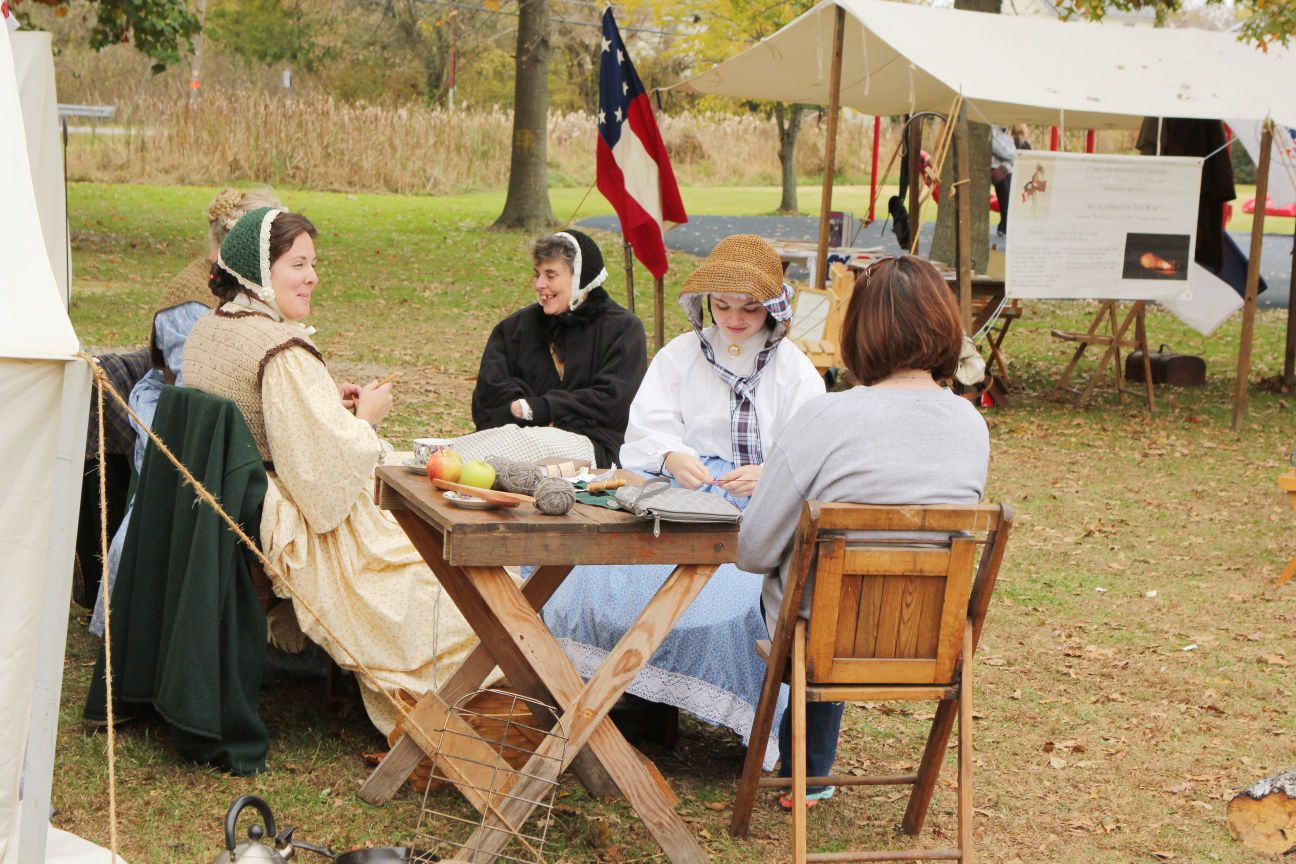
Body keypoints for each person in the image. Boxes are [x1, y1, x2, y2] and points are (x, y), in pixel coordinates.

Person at [182, 207, 481, 736]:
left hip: (221, 498)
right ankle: (465, 701)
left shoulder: (213, 328)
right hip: (278, 507)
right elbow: (321, 481)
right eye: (298, 264)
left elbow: (270, 419)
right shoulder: (280, 349)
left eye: (312, 263)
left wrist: (323, 399)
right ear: (259, 270)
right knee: (429, 573)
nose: (313, 276)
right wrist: (365, 419)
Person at [542, 235, 825, 768]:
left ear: (774, 307)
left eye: (750, 308)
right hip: (678, 501)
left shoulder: (794, 370)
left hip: (759, 514)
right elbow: (646, 427)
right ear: (705, 304)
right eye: (723, 306)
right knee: (599, 577)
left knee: (740, 598)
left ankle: (733, 713)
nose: (735, 319)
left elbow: (813, 451)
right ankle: (618, 694)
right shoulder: (680, 355)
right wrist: (671, 454)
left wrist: (769, 473)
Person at [737, 255, 989, 810]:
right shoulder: (972, 424)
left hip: (822, 641)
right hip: (929, 643)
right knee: (837, 591)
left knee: (799, 597)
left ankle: (759, 750)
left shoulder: (826, 417)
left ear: (859, 331)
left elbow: (753, 550)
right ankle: (809, 768)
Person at [91, 187, 281, 638]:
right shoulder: (190, 296)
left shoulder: (253, 284)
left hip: (226, 411)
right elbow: (201, 381)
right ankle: (117, 623)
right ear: (239, 240)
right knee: (158, 502)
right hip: (177, 412)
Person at [472, 230, 647, 468]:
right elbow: (488, 397)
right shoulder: (514, 328)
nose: (539, 284)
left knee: (501, 458)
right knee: (459, 456)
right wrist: (523, 410)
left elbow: (613, 402)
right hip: (514, 437)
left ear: (580, 279)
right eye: (537, 274)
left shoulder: (623, 329)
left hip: (594, 448)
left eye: (550, 275)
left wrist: (540, 408)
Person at [990, 125, 1017, 236]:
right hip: (996, 169)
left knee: (1010, 198)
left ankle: (1004, 226)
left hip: (1008, 168)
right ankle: (1004, 227)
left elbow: (1014, 153)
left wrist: (1010, 156)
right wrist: (1010, 155)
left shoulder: (1007, 137)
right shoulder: (992, 132)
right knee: (1004, 198)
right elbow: (1001, 151)